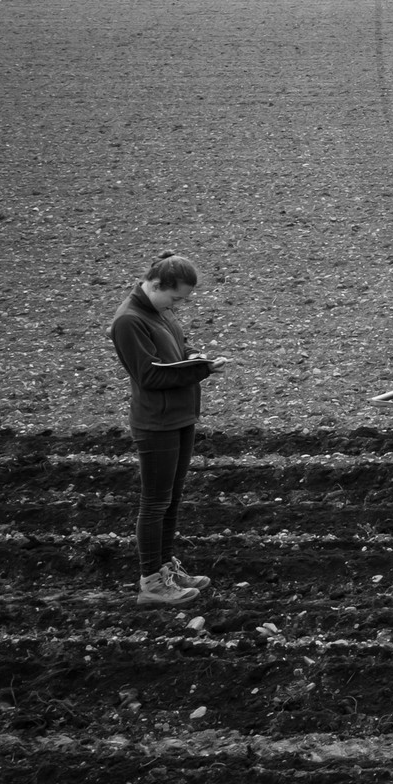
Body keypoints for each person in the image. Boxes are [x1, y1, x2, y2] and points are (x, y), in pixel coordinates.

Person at [108, 251, 229, 607]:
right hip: (155, 423)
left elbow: (175, 350)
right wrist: (202, 370)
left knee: (172, 499)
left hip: (179, 416)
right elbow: (149, 375)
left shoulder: (160, 311)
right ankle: (151, 582)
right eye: (177, 297)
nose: (179, 304)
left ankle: (166, 569)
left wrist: (195, 356)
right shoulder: (128, 321)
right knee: (155, 502)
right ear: (157, 285)